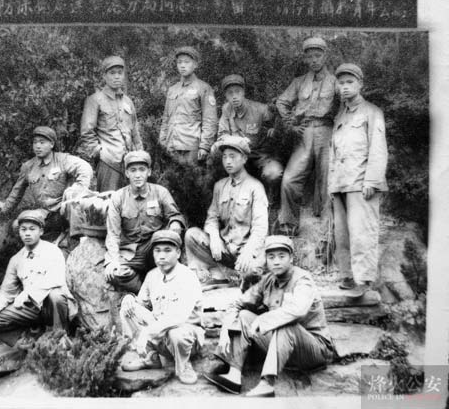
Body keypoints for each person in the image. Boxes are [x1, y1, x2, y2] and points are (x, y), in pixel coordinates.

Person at [204, 235, 335, 397]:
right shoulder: (268, 281)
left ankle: (267, 384)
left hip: (315, 349)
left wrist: (263, 319)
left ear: (291, 258)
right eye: (271, 257)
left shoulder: (302, 279)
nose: (276, 262)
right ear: (266, 259)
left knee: (285, 324)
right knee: (244, 315)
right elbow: (237, 305)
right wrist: (225, 330)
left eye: (282, 256)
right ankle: (234, 375)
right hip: (283, 347)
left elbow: (298, 309)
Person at [329, 63, 388, 297]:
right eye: (341, 83)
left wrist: (372, 181)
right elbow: (334, 153)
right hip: (341, 183)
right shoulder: (340, 116)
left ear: (360, 84)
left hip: (362, 183)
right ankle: (348, 276)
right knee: (342, 235)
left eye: (349, 82)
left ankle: (363, 279)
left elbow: (378, 148)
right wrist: (331, 185)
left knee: (363, 233)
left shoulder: (372, 112)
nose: (344, 87)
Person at [0, 209, 76, 346]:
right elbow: (6, 292)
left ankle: (60, 336)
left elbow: (55, 279)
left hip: (52, 307)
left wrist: (28, 293)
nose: (27, 233)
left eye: (32, 229)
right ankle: (27, 341)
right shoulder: (16, 259)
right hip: (31, 309)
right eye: (23, 229)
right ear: (19, 232)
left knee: (56, 295)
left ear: (41, 231)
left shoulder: (53, 251)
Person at [119, 230, 204, 385]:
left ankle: (184, 365)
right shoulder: (152, 275)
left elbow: (179, 318)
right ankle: (150, 357)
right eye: (157, 251)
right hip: (160, 334)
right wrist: (129, 299)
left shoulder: (188, 277)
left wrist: (147, 332)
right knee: (128, 308)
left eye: (167, 250)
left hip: (186, 336)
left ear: (178, 253)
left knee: (176, 333)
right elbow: (141, 304)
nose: (161, 256)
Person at [185, 136, 268, 285]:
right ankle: (222, 273)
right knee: (191, 235)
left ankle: (228, 274)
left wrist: (248, 251)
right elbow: (212, 218)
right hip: (224, 249)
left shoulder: (255, 187)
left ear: (244, 159)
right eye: (224, 157)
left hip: (246, 250)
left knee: (252, 271)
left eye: (232, 156)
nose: (228, 161)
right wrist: (214, 237)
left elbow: (260, 228)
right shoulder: (220, 186)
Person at [276, 37, 337, 235]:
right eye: (310, 57)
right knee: (289, 180)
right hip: (304, 134)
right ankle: (289, 226)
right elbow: (281, 102)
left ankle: (328, 232)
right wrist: (291, 124)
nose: (314, 60)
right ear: (305, 59)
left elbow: (346, 105)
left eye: (318, 55)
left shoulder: (335, 82)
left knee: (328, 180)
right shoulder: (299, 82)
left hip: (327, 132)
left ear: (325, 56)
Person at [104, 150, 186, 293]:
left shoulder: (160, 192)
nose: (137, 175)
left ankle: (162, 282)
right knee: (115, 274)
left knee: (169, 258)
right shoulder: (118, 198)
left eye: (142, 169)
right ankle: (146, 291)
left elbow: (175, 216)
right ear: (127, 173)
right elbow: (113, 234)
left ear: (149, 172)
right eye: (133, 170)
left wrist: (174, 227)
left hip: (155, 246)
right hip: (131, 251)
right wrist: (113, 261)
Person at [0, 126, 93, 239]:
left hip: (64, 210)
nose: (37, 146)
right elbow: (16, 193)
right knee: (17, 226)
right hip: (44, 212)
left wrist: (77, 189)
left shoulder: (63, 160)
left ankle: (73, 238)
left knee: (74, 220)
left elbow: (85, 168)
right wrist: (3, 212)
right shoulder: (28, 167)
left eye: (42, 142)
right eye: (35, 142)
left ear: (52, 144)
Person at [79, 55, 143, 192]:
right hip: (108, 163)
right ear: (104, 76)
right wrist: (99, 153)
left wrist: (140, 154)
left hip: (130, 161)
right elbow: (87, 132)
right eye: (112, 73)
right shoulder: (95, 100)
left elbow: (135, 131)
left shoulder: (127, 101)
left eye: (120, 73)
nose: (117, 77)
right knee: (109, 200)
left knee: (131, 200)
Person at [214, 74, 283, 199]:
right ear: (226, 96)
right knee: (215, 155)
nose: (234, 96)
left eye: (237, 92)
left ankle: (272, 198)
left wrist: (274, 130)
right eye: (230, 93)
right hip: (239, 156)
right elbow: (222, 135)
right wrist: (238, 140)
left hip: (260, 155)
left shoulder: (260, 109)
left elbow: (278, 127)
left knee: (273, 173)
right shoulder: (226, 109)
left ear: (244, 92)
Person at [159, 46, 218, 166]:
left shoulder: (203, 88)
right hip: (171, 145)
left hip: (191, 147)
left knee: (191, 177)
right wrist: (162, 141)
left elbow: (210, 120)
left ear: (195, 64)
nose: (182, 65)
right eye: (179, 62)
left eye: (187, 62)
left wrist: (205, 146)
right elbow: (166, 118)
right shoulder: (172, 90)